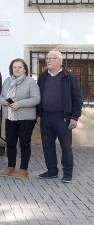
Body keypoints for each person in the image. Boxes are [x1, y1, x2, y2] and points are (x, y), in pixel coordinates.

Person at [37, 51, 82, 183]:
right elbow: (39, 96)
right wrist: (39, 114)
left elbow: (77, 99)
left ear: (60, 61)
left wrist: (75, 117)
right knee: (47, 145)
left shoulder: (69, 76)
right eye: (47, 58)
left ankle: (67, 173)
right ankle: (52, 171)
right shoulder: (43, 76)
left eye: (52, 58)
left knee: (66, 146)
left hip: (63, 117)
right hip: (46, 116)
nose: (48, 60)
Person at [0, 58, 40, 179]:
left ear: (25, 69)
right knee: (10, 142)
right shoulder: (7, 81)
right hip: (10, 117)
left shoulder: (30, 81)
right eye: (14, 67)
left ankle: (23, 169)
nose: (17, 69)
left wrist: (19, 104)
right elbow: (0, 95)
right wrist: (3, 101)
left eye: (19, 67)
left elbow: (36, 99)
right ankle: (10, 166)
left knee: (24, 143)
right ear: (11, 69)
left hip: (25, 118)